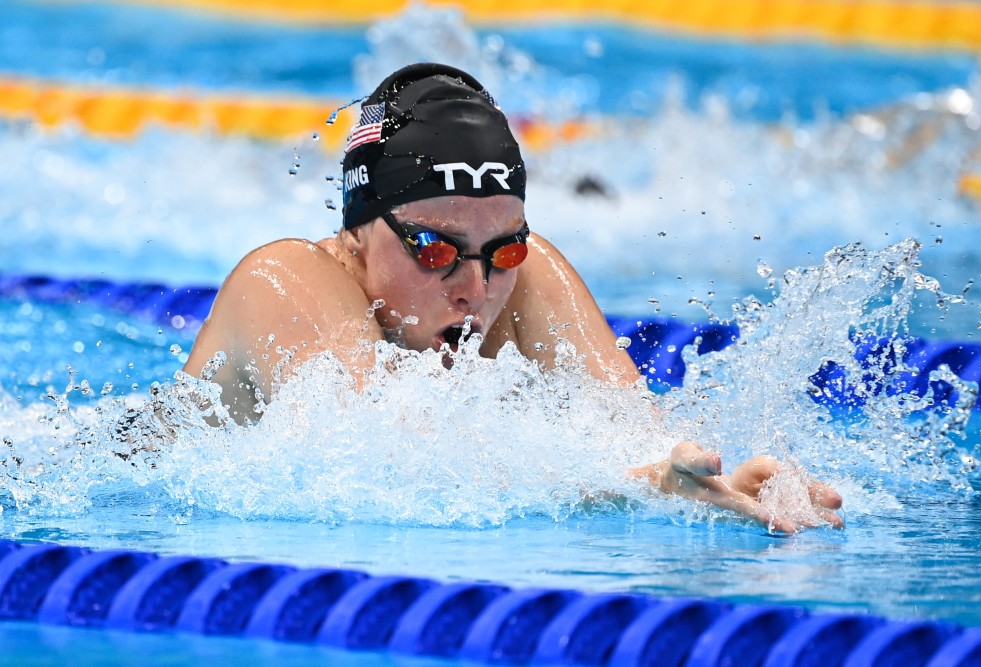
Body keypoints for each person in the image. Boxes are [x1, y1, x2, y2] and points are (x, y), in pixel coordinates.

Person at [182, 63, 843, 532]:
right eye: (434, 249)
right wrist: (634, 485)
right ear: (358, 230)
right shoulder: (283, 279)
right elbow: (387, 463)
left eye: (505, 250)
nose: (475, 288)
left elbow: (637, 430)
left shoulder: (524, 277)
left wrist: (717, 483)